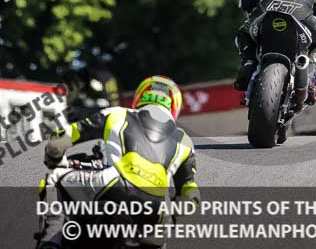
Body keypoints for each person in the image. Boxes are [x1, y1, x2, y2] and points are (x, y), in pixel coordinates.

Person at [37, 75, 200, 249]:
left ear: (140, 97)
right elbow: (191, 196)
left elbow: (58, 142)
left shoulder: (117, 114)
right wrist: (173, 214)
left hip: (114, 185)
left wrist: (55, 159)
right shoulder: (185, 141)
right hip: (155, 209)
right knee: (159, 235)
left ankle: (51, 241)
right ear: (175, 105)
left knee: (53, 179)